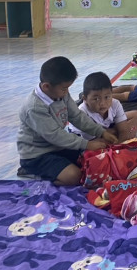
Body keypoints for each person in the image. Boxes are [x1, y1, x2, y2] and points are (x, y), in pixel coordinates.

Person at [16, 56, 118, 186]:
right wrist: (86, 144)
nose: (67, 92)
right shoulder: (34, 108)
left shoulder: (60, 94)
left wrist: (101, 132)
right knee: (74, 177)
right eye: (64, 88)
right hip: (36, 155)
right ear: (46, 86)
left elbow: (77, 116)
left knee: (93, 158)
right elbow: (55, 135)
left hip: (57, 147)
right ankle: (31, 172)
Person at [68, 72, 137, 142]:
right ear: (85, 99)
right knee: (100, 143)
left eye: (107, 97)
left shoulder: (115, 103)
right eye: (96, 99)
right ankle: (118, 135)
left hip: (108, 127)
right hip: (87, 136)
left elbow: (123, 130)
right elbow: (92, 138)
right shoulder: (82, 112)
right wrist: (120, 135)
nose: (102, 103)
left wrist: (122, 137)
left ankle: (116, 136)